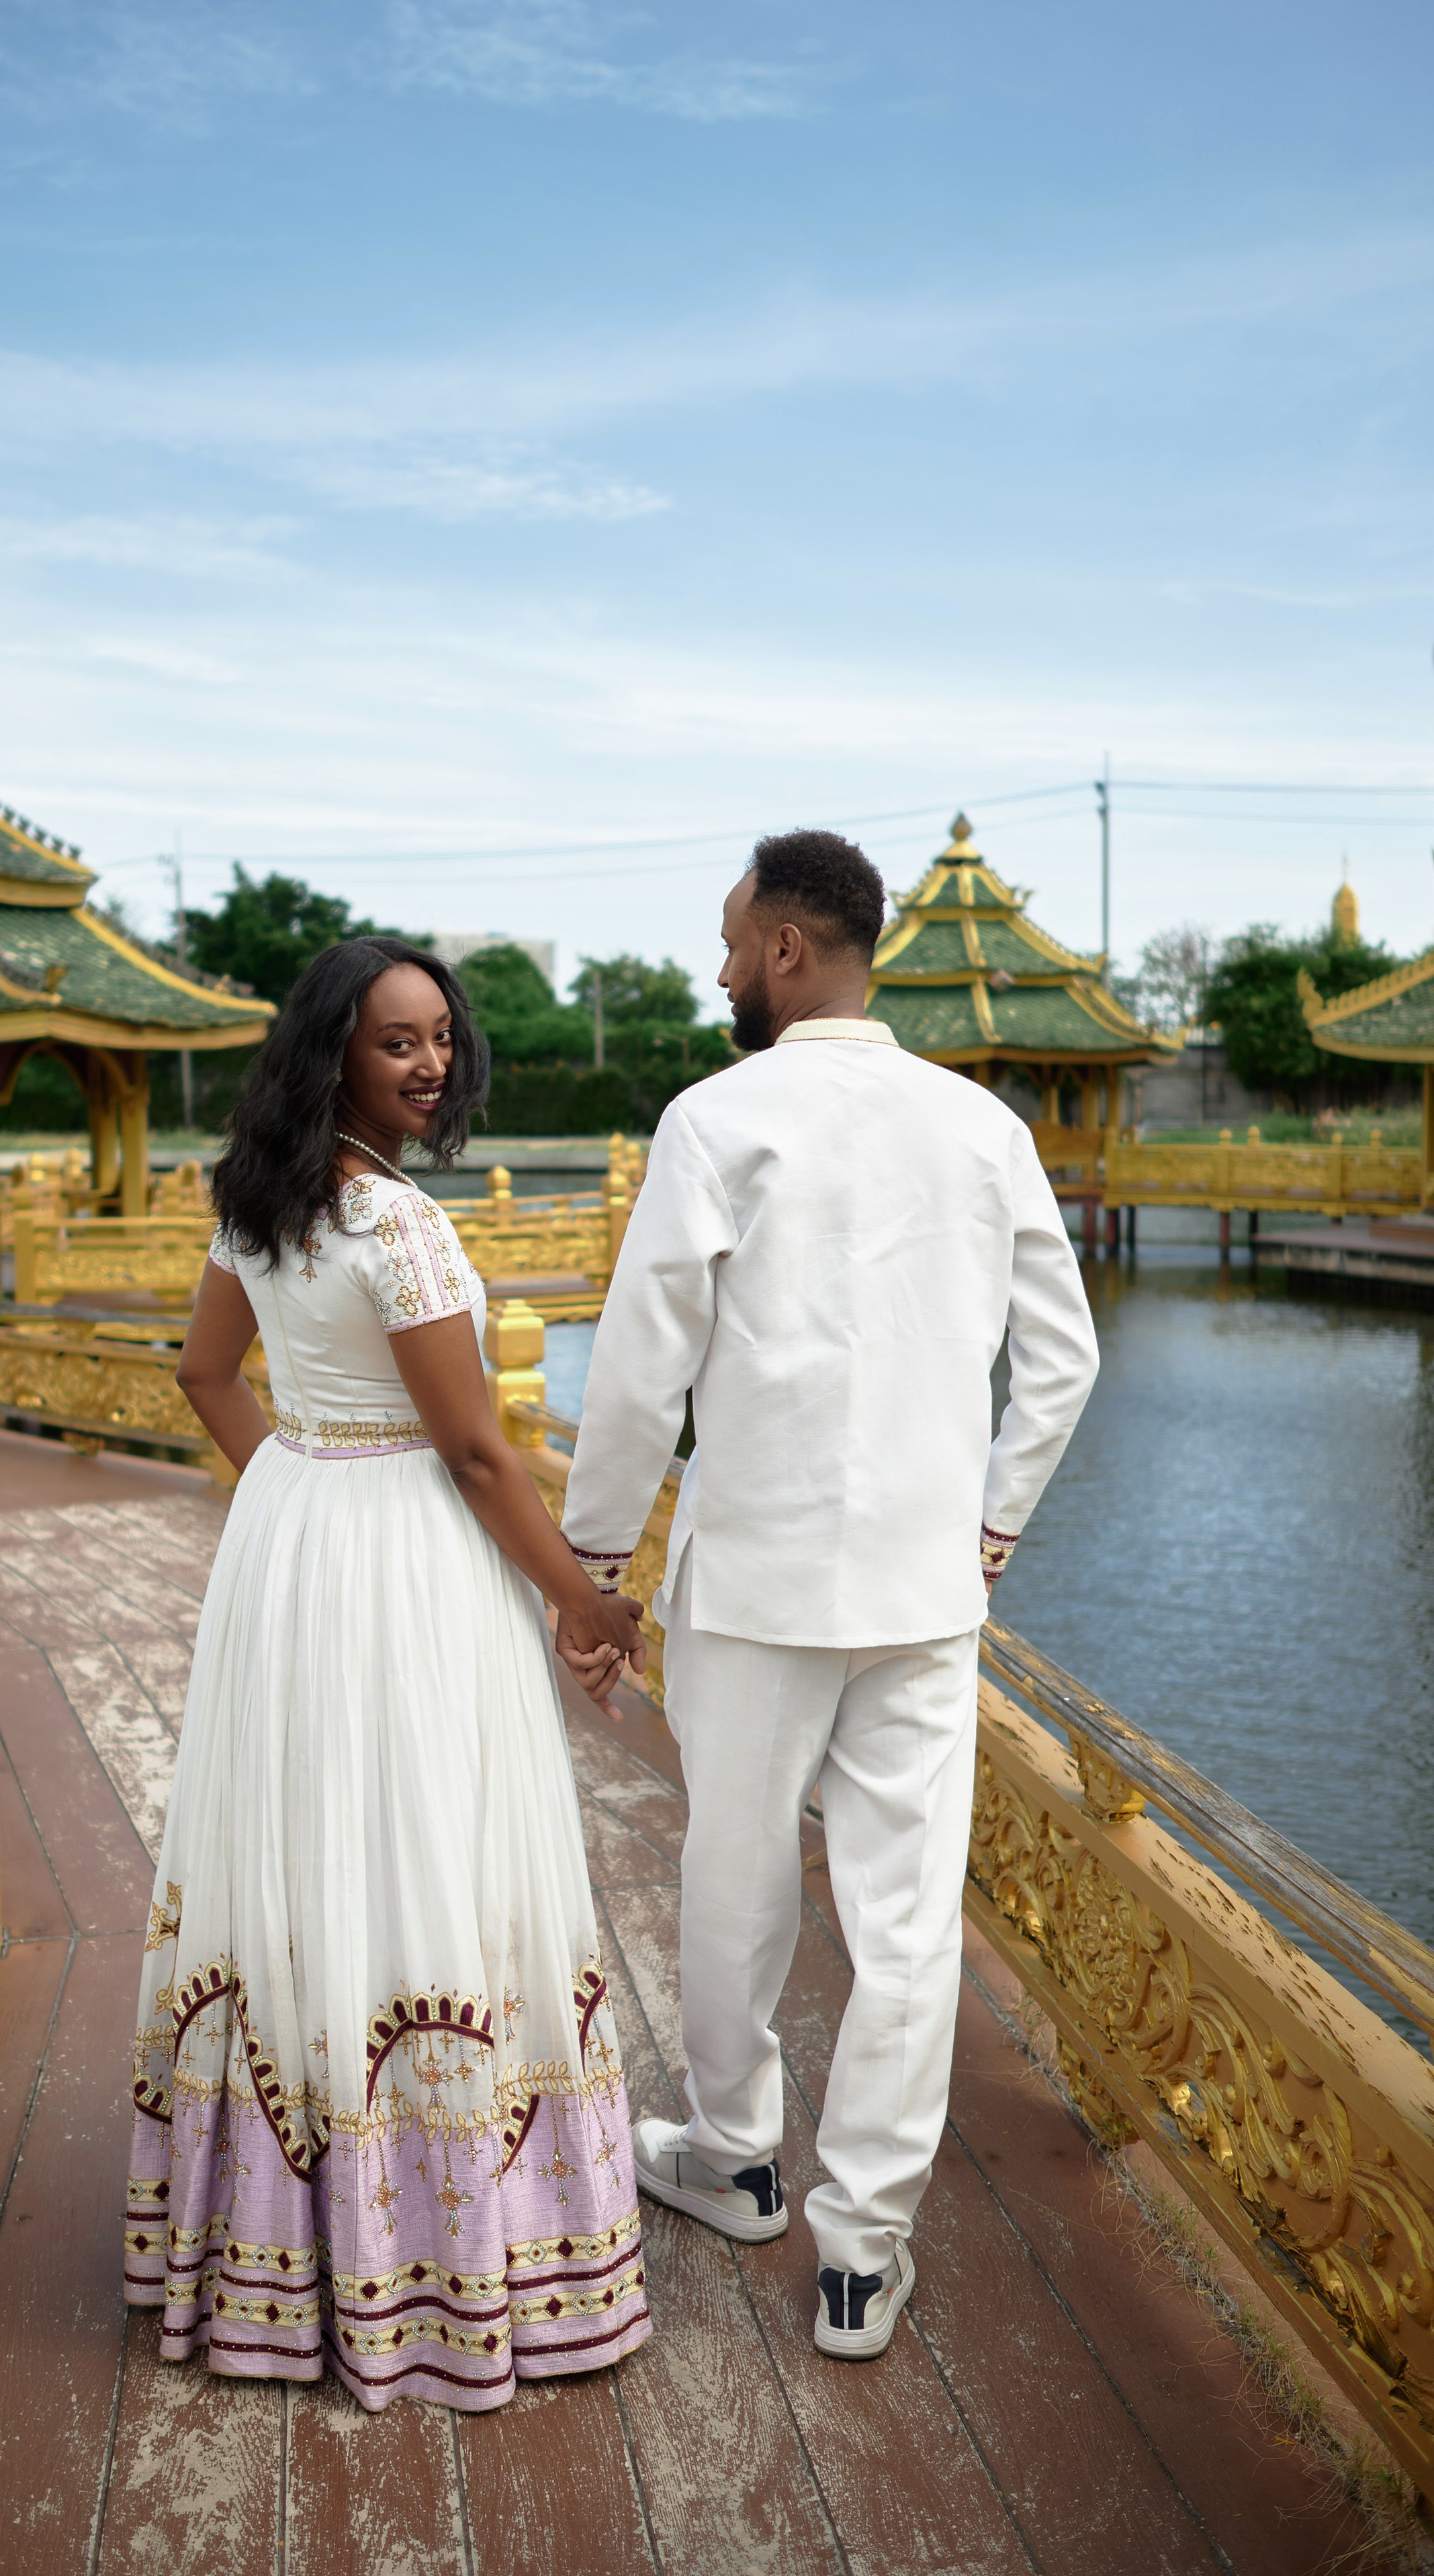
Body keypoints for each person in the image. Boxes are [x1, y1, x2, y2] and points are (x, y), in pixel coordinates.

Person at [555, 830, 1098, 2360]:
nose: (720, 968)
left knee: (732, 1886)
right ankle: (861, 2256)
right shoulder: (980, 1126)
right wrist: (989, 1527)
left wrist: (594, 1564)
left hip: (754, 1585)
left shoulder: (717, 1117)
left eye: (732, 942)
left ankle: (734, 2161)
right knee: (907, 1923)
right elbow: (1059, 1362)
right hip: (924, 1593)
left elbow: (642, 1359)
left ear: (788, 947)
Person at [126, 936, 652, 2412]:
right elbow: (478, 1449)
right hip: (408, 1554)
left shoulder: (262, 1202)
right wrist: (584, 1603)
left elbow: (205, 1379)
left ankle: (274, 2251)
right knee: (425, 1845)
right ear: (334, 1056)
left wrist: (295, 1491)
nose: (427, 1064)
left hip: (296, 1542)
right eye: (394, 1043)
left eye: (438, 1038)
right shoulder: (401, 1228)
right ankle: (437, 2261)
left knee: (307, 1851)